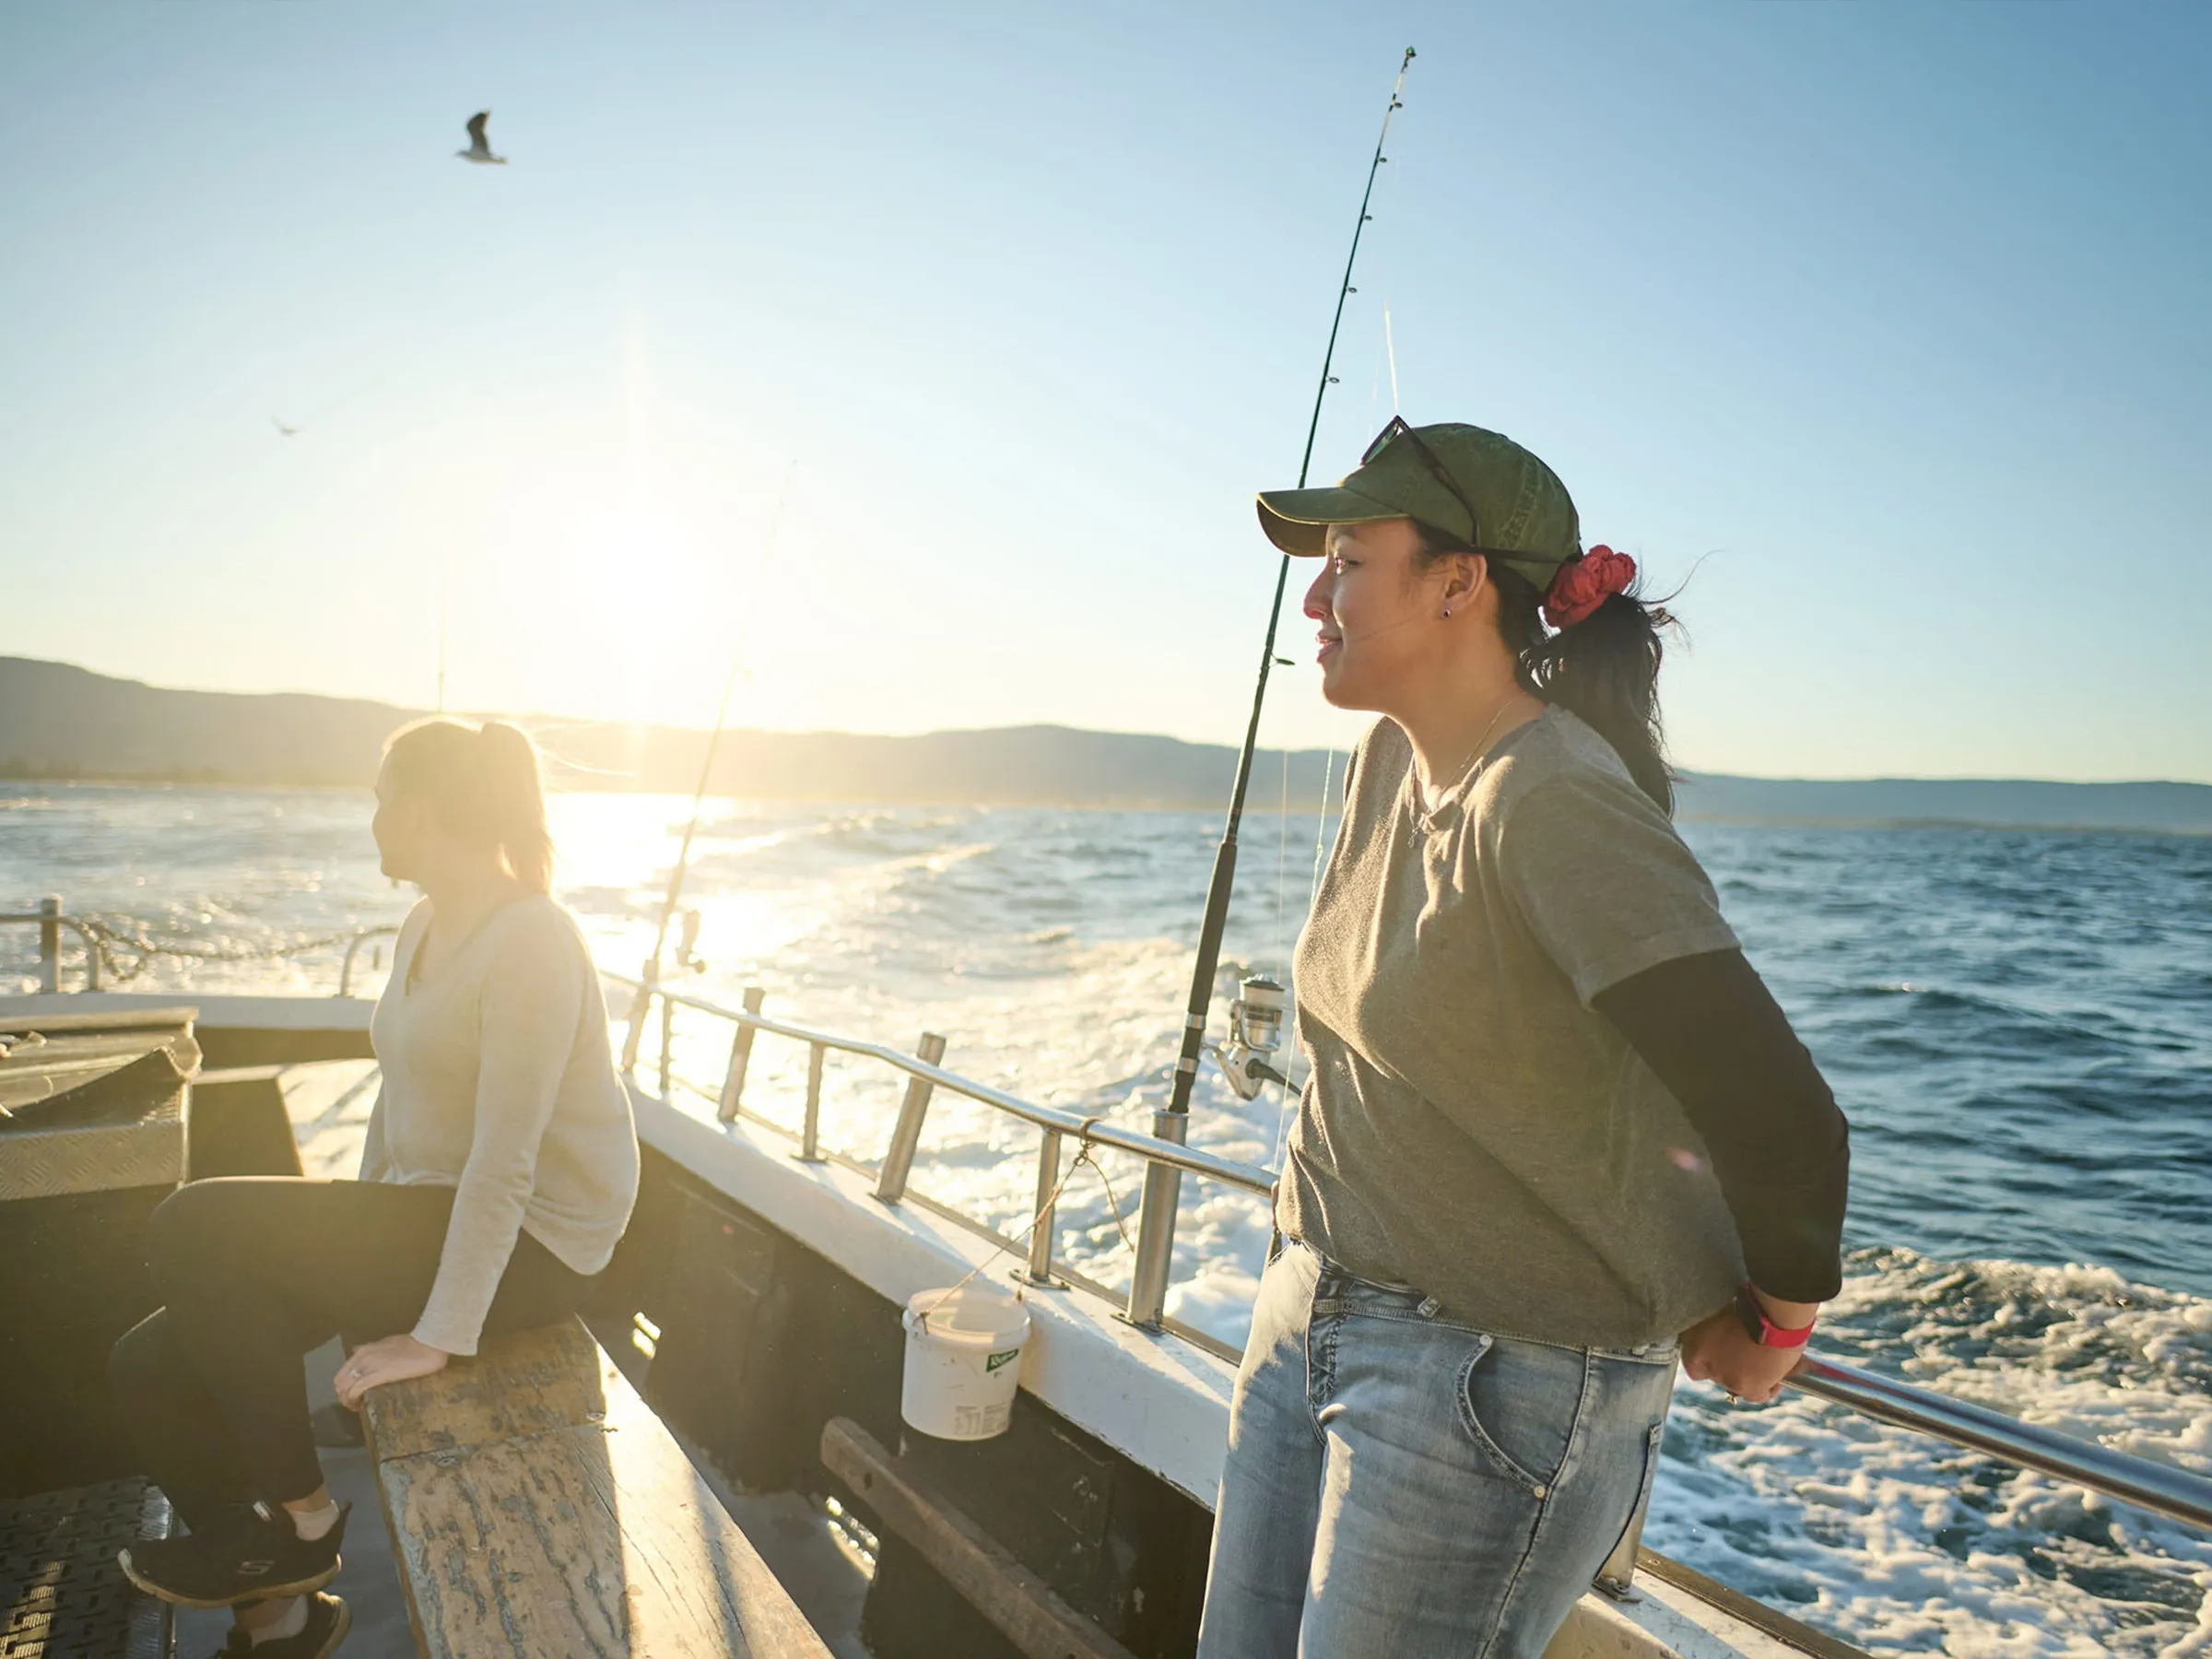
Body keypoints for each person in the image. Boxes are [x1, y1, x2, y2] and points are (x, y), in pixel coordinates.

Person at [1195, 421, 1852, 1658]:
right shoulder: (1389, 759)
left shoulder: (1550, 798)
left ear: (1459, 583)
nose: (1317, 594)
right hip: (1313, 1304)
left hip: (1483, 1385)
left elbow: (1781, 1113)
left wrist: (1775, 1326)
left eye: (1348, 559)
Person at [111, 718, 641, 1658]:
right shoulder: (428, 921)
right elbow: (395, 1099)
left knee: (191, 1226)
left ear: (425, 811)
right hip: (436, 1213)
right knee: (146, 1368)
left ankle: (305, 1524)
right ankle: (273, 1603)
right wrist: (347, 1252)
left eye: (380, 800)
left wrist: (438, 1335)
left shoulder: (533, 943)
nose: (373, 821)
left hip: (539, 1245)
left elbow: (505, 1163)